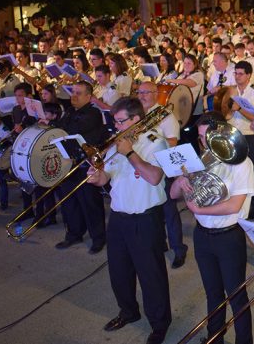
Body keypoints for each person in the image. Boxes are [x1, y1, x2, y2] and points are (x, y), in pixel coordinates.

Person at [85, 97, 171, 344]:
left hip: (145, 219)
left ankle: (160, 324)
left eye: (121, 121)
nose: (116, 126)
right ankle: (129, 311)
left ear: (136, 119)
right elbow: (107, 178)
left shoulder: (156, 142)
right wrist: (97, 177)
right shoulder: (116, 144)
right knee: (119, 271)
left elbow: (154, 177)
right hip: (119, 216)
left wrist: (130, 153)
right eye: (115, 121)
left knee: (151, 275)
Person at [170, 114, 254, 344]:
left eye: (207, 136)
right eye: (200, 137)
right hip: (202, 235)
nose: (204, 143)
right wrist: (180, 181)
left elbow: (234, 205)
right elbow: (173, 195)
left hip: (229, 237)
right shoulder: (200, 160)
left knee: (236, 295)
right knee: (212, 292)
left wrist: (199, 209)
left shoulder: (242, 162)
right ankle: (215, 337)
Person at [136, 80, 188, 269]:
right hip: (143, 167)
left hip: (161, 168)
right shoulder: (137, 114)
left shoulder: (165, 115)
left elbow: (172, 143)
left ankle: (179, 249)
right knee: (152, 210)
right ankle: (160, 243)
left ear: (156, 94)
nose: (141, 96)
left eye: (146, 92)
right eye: (139, 92)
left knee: (169, 212)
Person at [54, 80, 108, 253]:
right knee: (69, 202)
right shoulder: (70, 111)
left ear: (89, 97)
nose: (74, 96)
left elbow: (71, 130)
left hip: (86, 164)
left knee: (90, 203)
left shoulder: (93, 113)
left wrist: (60, 126)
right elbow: (59, 129)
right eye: (73, 92)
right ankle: (74, 234)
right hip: (68, 162)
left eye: (78, 93)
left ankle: (98, 238)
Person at [224, 60, 254, 219]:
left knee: (252, 171)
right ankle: (237, 203)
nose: (237, 76)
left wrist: (240, 109)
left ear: (249, 75)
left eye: (241, 74)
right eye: (235, 73)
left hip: (249, 135)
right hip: (232, 133)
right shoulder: (231, 91)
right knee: (233, 170)